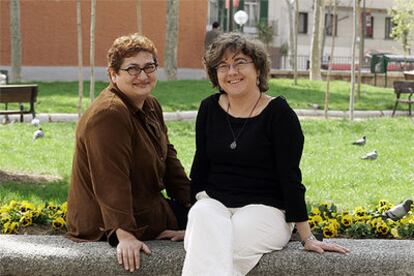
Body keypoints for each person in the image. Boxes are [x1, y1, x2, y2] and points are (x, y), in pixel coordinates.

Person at [182, 32, 350, 276]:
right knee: (201, 214)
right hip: (215, 203)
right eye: (223, 66)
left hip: (266, 210)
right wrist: (188, 228)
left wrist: (307, 237)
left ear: (258, 69)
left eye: (240, 63)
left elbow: (290, 176)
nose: (232, 72)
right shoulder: (209, 108)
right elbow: (200, 166)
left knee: (226, 242)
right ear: (215, 75)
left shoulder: (279, 114)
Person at [66, 33, 191, 273]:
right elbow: (109, 178)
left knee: (217, 217)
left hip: (147, 208)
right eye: (132, 69)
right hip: (105, 224)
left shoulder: (150, 105)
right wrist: (124, 235)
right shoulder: (110, 114)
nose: (143, 76)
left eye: (149, 67)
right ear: (113, 74)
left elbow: (169, 158)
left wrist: (193, 202)